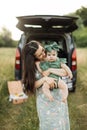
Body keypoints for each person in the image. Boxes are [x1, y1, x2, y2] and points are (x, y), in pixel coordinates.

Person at [22, 40, 70, 130]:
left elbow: (65, 72)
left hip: (59, 98)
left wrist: (50, 70)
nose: (44, 54)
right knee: (49, 125)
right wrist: (44, 79)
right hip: (45, 102)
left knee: (60, 123)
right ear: (33, 57)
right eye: (40, 54)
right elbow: (30, 85)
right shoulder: (32, 66)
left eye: (43, 50)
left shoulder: (51, 57)